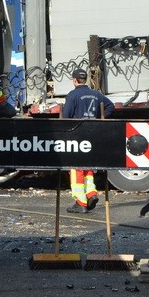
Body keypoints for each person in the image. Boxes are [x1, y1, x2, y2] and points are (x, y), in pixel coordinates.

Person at [61, 68, 114, 214]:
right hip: (92, 134)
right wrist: (98, 118)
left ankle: (81, 202)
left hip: (77, 136)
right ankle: (91, 194)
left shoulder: (72, 96)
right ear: (85, 80)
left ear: (74, 80)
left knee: (76, 168)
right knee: (88, 167)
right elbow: (110, 106)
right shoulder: (96, 94)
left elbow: (66, 117)